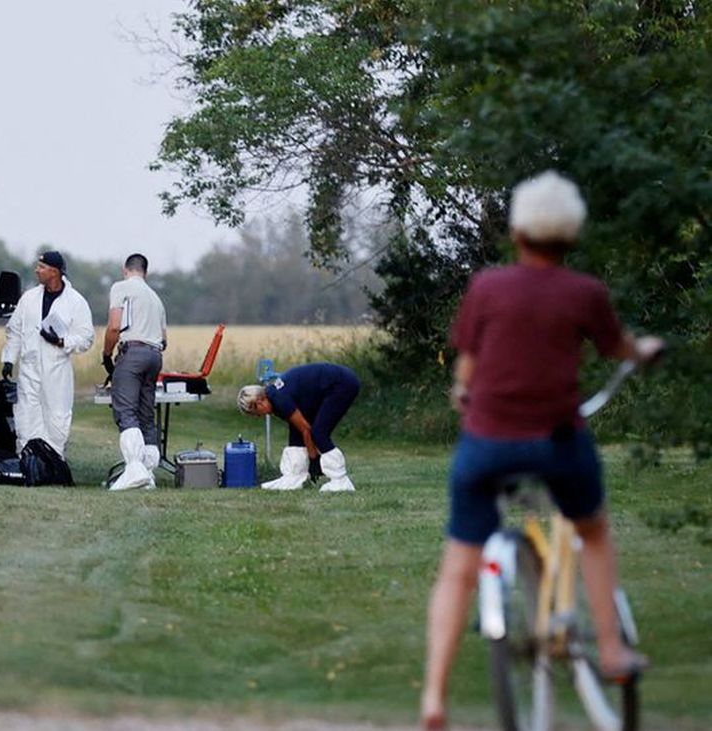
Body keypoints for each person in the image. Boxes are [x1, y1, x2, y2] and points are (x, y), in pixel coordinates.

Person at [419, 171, 662, 730]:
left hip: (485, 445)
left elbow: (467, 368)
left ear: (518, 232)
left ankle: (434, 696)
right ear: (570, 235)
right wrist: (643, 351)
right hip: (557, 443)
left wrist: (464, 390)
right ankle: (609, 649)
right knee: (593, 528)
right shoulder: (585, 293)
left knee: (458, 567)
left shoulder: (486, 288)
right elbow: (619, 346)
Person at [0, 251, 95, 456]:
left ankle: (53, 461)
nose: (37, 270)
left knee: (57, 418)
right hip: (30, 368)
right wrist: (9, 359)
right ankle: (26, 460)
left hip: (57, 370)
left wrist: (62, 341)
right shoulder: (29, 299)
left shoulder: (76, 302)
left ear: (54, 272)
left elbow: (86, 338)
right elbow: (14, 330)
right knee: (26, 415)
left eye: (41, 267)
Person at [236, 363, 360, 492]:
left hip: (341, 384)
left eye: (255, 413)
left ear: (259, 402)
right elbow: (298, 427)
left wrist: (314, 460)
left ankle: (340, 480)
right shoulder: (274, 396)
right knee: (296, 435)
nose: (258, 417)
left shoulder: (279, 399)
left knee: (319, 433)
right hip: (329, 385)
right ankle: (295, 476)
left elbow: (306, 429)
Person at [103, 253, 167, 491]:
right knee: (145, 414)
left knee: (126, 412)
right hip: (155, 355)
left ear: (125, 269)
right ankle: (148, 474)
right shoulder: (156, 298)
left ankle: (134, 470)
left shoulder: (121, 287)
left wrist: (106, 354)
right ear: (145, 272)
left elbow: (114, 326)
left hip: (133, 353)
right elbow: (164, 339)